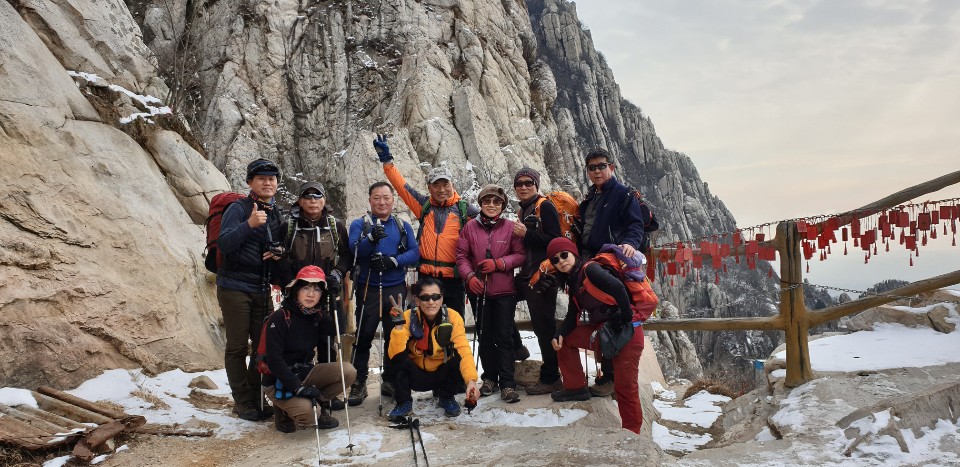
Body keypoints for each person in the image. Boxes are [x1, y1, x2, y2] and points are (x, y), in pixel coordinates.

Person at [374, 135, 529, 359]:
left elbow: (492, 219)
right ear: (429, 187)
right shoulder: (424, 206)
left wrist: (515, 231)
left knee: (454, 326)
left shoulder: (465, 210)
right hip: (427, 277)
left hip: (455, 279)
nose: (441, 189)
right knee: (426, 326)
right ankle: (431, 366)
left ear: (452, 185)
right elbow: (402, 187)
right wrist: (387, 162)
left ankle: (461, 367)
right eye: (436, 185)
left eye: (445, 184)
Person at [545, 238, 645, 434]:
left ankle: (632, 433)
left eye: (564, 255)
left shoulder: (590, 269)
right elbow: (572, 315)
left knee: (625, 387)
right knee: (566, 340)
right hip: (605, 332)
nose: (561, 261)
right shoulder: (574, 281)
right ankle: (575, 387)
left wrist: (624, 318)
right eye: (555, 260)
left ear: (574, 254)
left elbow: (618, 287)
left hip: (627, 333)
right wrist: (559, 334)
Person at [577, 148, 651, 397]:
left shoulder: (623, 193)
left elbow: (635, 224)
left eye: (601, 166)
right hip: (591, 260)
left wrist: (630, 243)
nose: (597, 171)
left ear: (611, 167)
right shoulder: (592, 196)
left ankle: (611, 377)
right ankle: (606, 375)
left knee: (611, 313)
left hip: (611, 262)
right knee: (599, 313)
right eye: (592, 168)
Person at [216, 158, 285, 421]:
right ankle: (243, 401)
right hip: (234, 286)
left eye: (272, 179)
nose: (268, 183)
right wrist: (249, 224)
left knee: (261, 347)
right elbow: (224, 243)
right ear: (249, 182)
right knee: (237, 347)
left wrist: (280, 251)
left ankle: (256, 398)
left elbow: (280, 246)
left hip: (262, 287)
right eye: (261, 178)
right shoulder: (239, 208)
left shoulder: (276, 213)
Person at [347, 181, 420, 406]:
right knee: (364, 336)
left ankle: (390, 379)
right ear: (370, 200)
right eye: (377, 198)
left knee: (394, 336)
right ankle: (359, 381)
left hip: (395, 288)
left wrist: (393, 261)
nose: (382, 202)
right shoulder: (360, 224)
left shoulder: (402, 225)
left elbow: (415, 253)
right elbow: (354, 251)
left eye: (386, 197)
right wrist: (371, 239)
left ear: (393, 199)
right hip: (368, 287)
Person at [264, 266, 357, 433]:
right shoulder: (281, 317)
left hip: (305, 372)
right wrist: (298, 388)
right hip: (279, 380)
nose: (311, 294)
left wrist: (335, 298)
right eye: (306, 288)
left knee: (348, 372)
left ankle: (317, 403)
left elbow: (339, 329)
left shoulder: (316, 315)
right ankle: (283, 409)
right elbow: (274, 360)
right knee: (309, 416)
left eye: (317, 289)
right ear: (296, 290)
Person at [455, 184, 525, 403]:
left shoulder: (511, 228)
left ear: (502, 206)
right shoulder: (469, 228)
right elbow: (461, 256)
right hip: (478, 290)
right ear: (481, 203)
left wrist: (499, 263)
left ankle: (507, 383)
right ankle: (490, 378)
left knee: (504, 337)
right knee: (484, 336)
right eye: (487, 201)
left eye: (496, 202)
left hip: (505, 291)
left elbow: (520, 255)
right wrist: (469, 277)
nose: (491, 205)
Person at [279, 182, 352, 379]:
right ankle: (299, 383)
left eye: (317, 196)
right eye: (308, 196)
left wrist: (337, 273)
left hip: (327, 290)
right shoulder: (289, 226)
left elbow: (347, 255)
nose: (313, 200)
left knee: (327, 340)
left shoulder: (335, 226)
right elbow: (281, 258)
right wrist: (291, 283)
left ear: (324, 200)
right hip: (299, 293)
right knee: (298, 339)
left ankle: (327, 386)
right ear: (300, 201)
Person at [386, 276, 481, 421]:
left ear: (442, 299)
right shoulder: (407, 317)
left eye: (436, 297)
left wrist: (471, 381)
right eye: (425, 298)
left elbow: (464, 351)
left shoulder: (453, 317)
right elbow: (395, 355)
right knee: (397, 359)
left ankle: (446, 396)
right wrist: (398, 327)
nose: (431, 302)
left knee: (457, 357)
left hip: (441, 374)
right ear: (417, 300)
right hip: (415, 375)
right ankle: (404, 402)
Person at [511, 168, 564, 395]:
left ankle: (551, 377)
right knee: (500, 300)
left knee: (544, 328)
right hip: (527, 275)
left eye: (528, 183)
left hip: (543, 277)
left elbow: (556, 242)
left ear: (536, 185)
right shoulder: (524, 209)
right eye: (519, 183)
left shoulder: (545, 207)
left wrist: (526, 234)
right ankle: (517, 348)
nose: (523, 187)